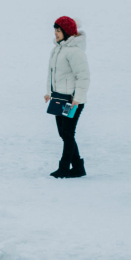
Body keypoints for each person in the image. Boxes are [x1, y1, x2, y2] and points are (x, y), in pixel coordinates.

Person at [47, 17, 91, 179]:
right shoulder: (57, 49)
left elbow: (83, 77)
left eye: (58, 30)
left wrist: (77, 98)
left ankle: (64, 168)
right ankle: (78, 168)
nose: (55, 33)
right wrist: (49, 92)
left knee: (68, 133)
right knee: (63, 133)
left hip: (72, 101)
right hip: (59, 98)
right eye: (55, 30)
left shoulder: (75, 52)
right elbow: (51, 74)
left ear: (66, 32)